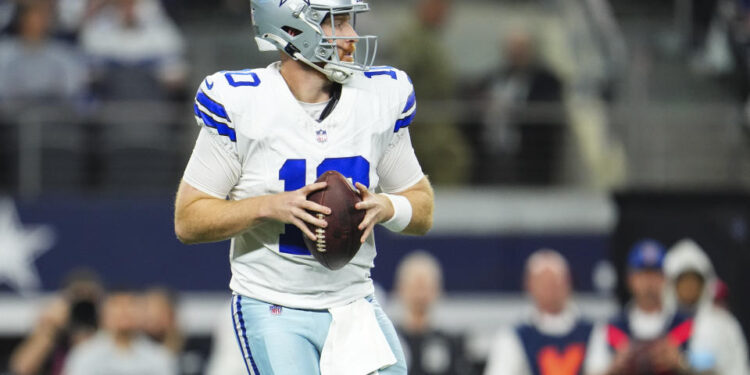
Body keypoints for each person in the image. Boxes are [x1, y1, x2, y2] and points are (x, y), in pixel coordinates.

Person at [173, 0, 435, 374]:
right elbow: (188, 219)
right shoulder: (243, 102)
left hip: (353, 302)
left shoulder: (377, 98)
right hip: (274, 304)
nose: (353, 36)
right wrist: (268, 206)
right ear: (293, 29)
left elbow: (422, 208)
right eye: (338, 23)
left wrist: (387, 207)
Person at [390, 0, 471, 185]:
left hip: (436, 115)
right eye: (440, 9)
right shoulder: (413, 39)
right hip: (421, 118)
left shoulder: (429, 37)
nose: (445, 15)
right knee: (450, 155)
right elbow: (402, 75)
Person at [586, 239, 693, 375]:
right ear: (630, 279)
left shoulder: (687, 325)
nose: (649, 282)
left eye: (655, 274)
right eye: (642, 274)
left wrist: (680, 363)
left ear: (666, 278)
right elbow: (592, 370)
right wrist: (614, 367)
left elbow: (711, 368)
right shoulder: (610, 328)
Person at [484, 249, 598, 375]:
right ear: (529, 285)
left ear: (568, 283)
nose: (550, 290)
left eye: (555, 282)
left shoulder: (593, 331)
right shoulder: (513, 335)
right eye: (543, 283)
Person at [480, 29, 565, 185]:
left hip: (528, 154)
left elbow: (547, 111)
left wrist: (516, 109)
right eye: (512, 49)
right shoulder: (497, 76)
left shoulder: (546, 80)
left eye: (520, 48)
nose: (516, 54)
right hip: (495, 148)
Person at [664, 238, 750, 375]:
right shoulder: (661, 322)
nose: (689, 287)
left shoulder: (724, 323)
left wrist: (684, 362)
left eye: (694, 280)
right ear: (671, 284)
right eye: (683, 281)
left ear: (705, 283)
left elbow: (737, 366)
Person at [9, 268, 102, 375]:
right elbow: (22, 368)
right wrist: (49, 328)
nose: (83, 307)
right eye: (78, 298)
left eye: (89, 298)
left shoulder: (106, 332)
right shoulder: (55, 333)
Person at [63, 288, 177, 375]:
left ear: (141, 314)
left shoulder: (159, 357)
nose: (123, 312)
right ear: (103, 314)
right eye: (116, 306)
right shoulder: (84, 355)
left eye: (130, 306)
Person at [394, 251, 471, 375]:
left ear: (437, 290)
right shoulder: (387, 342)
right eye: (414, 287)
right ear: (400, 289)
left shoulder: (452, 345)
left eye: (425, 287)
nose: (420, 295)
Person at [139, 287, 183, 355]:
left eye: (160, 311)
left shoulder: (190, 348)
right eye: (148, 310)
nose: (153, 318)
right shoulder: (135, 349)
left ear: (171, 315)